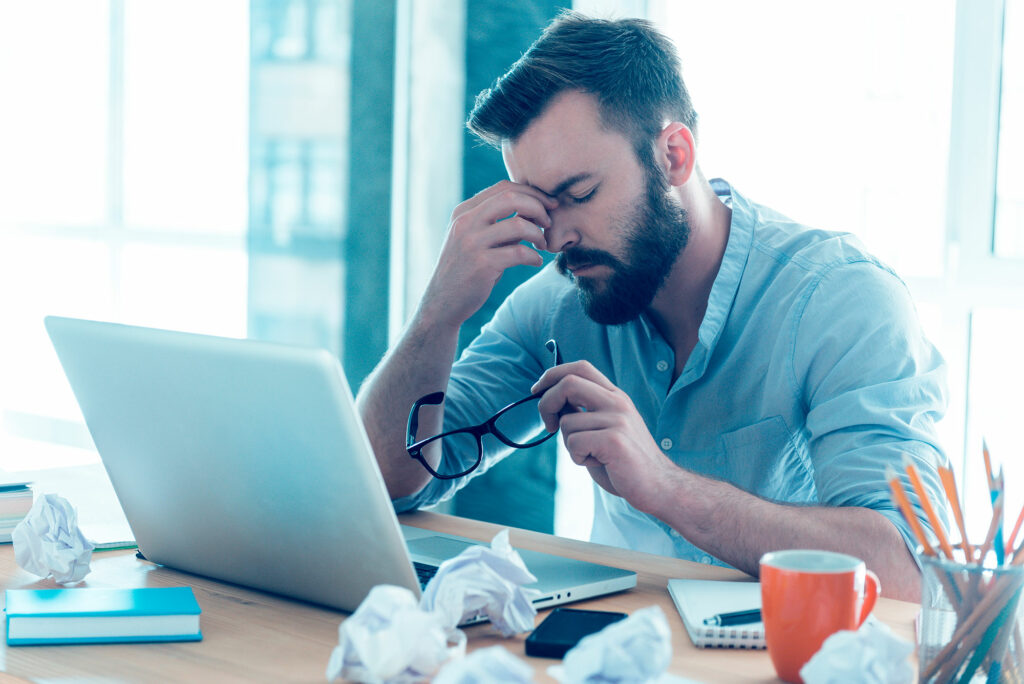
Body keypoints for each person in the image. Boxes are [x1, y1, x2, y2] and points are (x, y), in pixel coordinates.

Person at [356, 12, 948, 600]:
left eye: (580, 194)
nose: (557, 237)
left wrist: (666, 486)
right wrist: (438, 313)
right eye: (539, 207)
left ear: (673, 156)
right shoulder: (556, 306)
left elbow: (905, 570)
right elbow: (391, 481)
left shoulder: (841, 302)